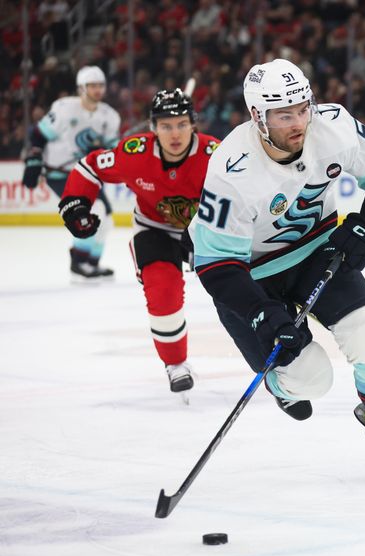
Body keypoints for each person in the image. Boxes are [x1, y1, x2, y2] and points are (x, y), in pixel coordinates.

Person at [187, 58, 365, 481]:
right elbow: (216, 266)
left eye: (303, 108)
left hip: (317, 253)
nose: (299, 122)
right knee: (312, 380)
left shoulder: (333, 126)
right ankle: (282, 385)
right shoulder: (231, 171)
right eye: (284, 115)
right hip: (249, 277)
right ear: (257, 117)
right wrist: (260, 313)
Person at [59, 89, 220, 394]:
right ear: (152, 128)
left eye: (181, 124)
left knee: (243, 287)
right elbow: (90, 167)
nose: (175, 134)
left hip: (208, 232)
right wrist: (76, 202)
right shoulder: (134, 154)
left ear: (193, 125)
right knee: (162, 292)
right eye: (166, 125)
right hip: (155, 228)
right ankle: (175, 364)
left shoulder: (216, 156)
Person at [22, 65, 120, 280]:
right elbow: (38, 135)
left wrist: (103, 151)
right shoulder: (64, 109)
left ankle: (91, 264)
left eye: (100, 85)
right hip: (61, 173)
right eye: (92, 85)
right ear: (81, 88)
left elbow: (114, 150)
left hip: (87, 174)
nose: (97, 90)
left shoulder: (109, 116)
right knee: (95, 210)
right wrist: (34, 159)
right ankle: (78, 263)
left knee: (107, 219)